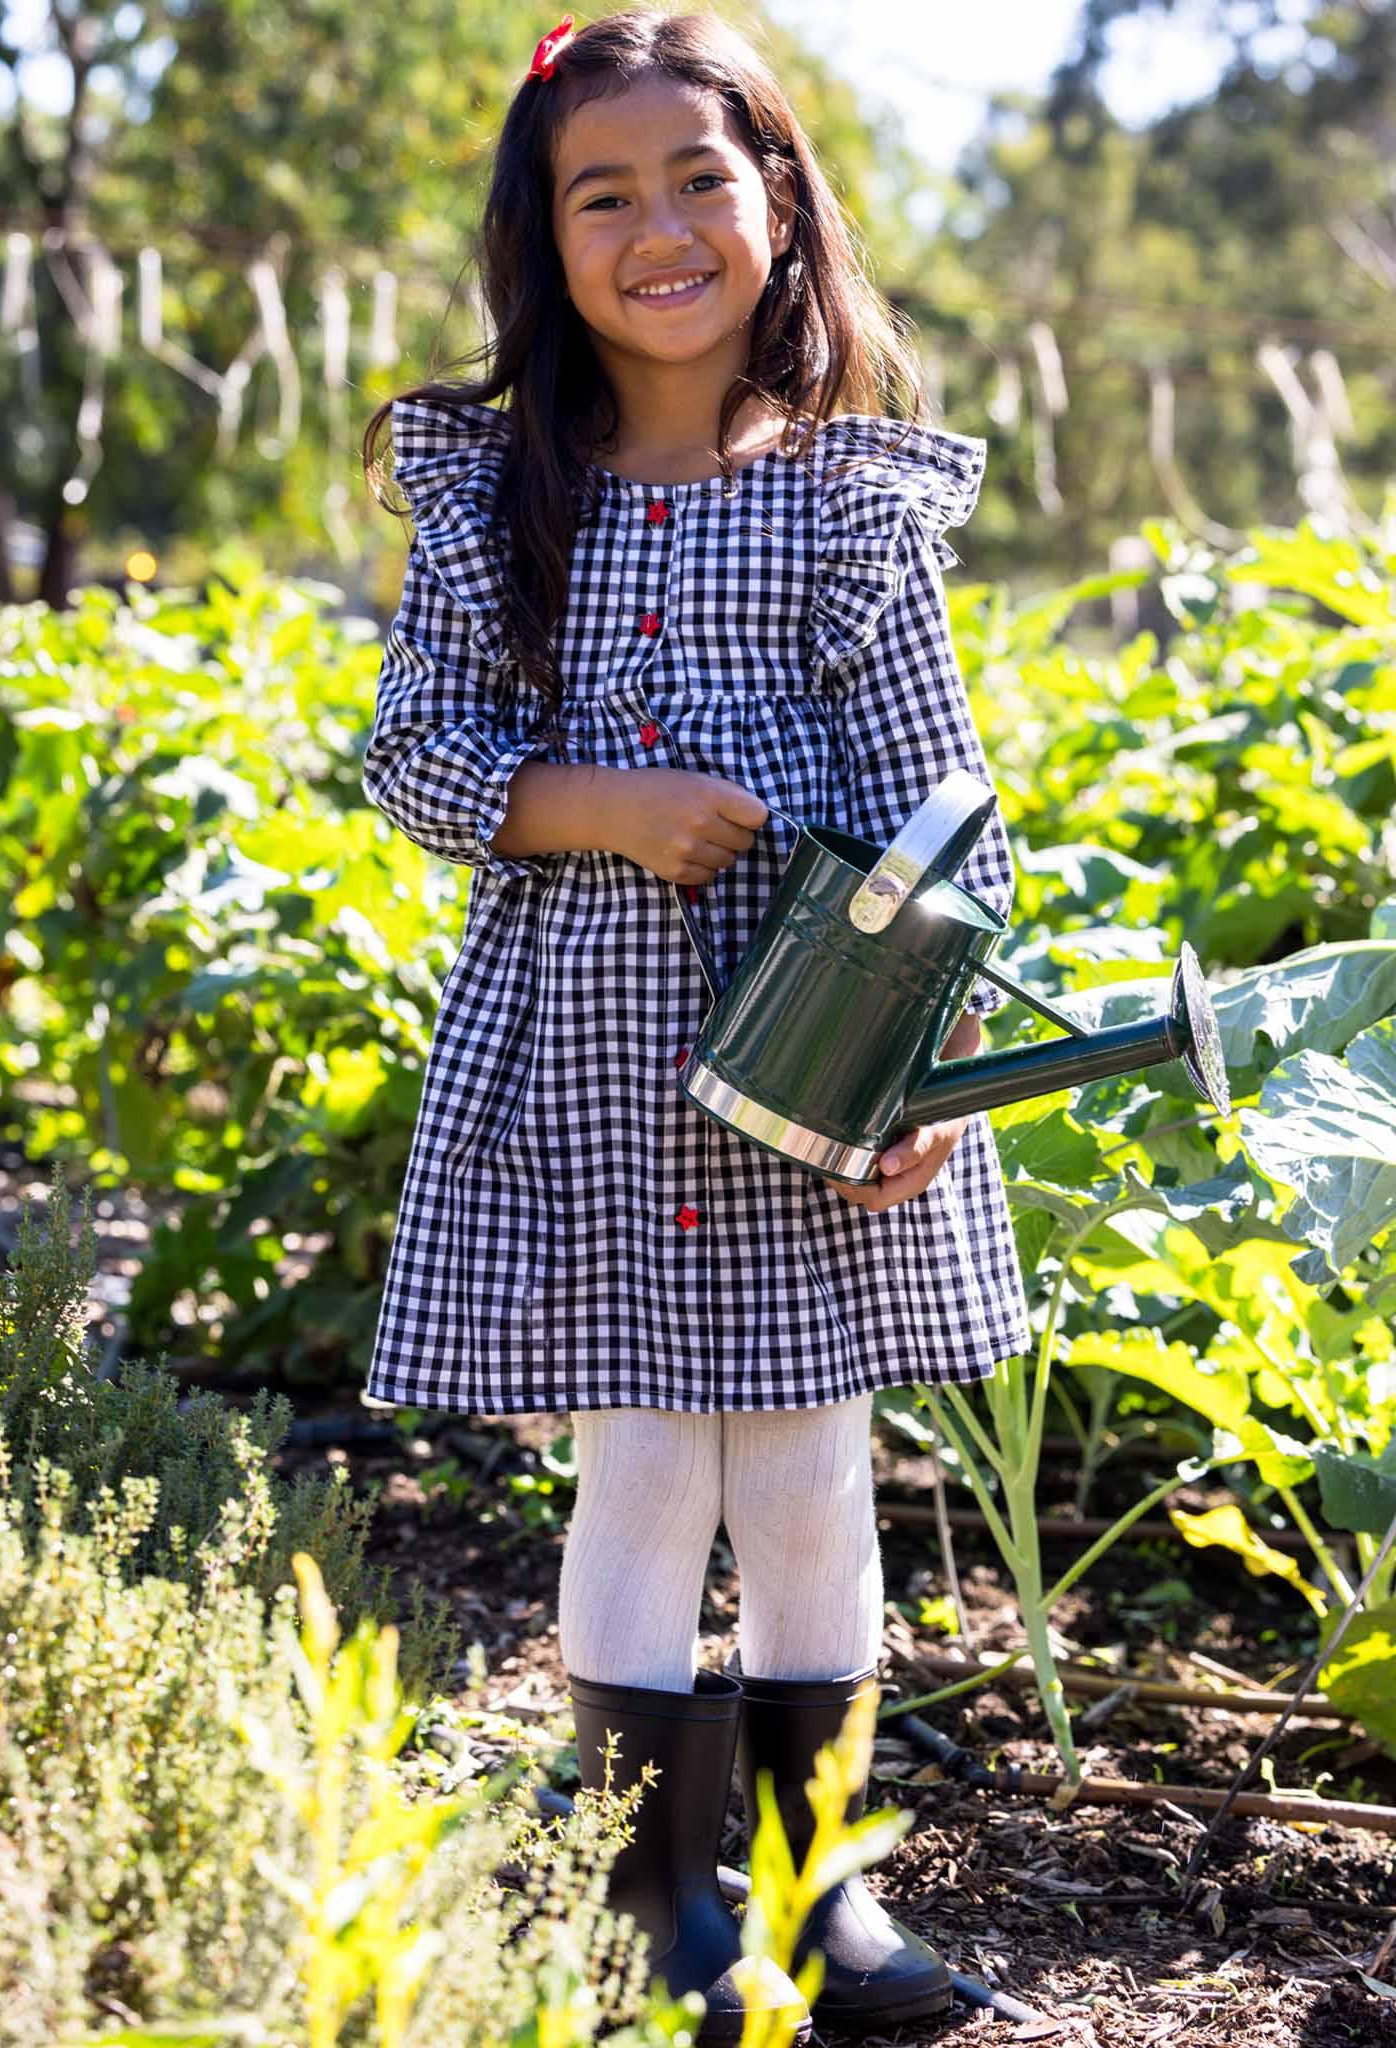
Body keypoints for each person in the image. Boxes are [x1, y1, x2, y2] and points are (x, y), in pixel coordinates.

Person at [359, 11, 1031, 2041]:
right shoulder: (502, 493)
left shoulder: (845, 503)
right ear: (544, 240)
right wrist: (597, 806)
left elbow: (945, 806)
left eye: (699, 180)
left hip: (820, 1059)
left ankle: (831, 1901)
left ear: (782, 207)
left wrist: (925, 1062)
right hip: (596, 1057)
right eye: (604, 192)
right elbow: (412, 755)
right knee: (647, 1466)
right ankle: (668, 1903)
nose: (659, 225)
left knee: (818, 1479)